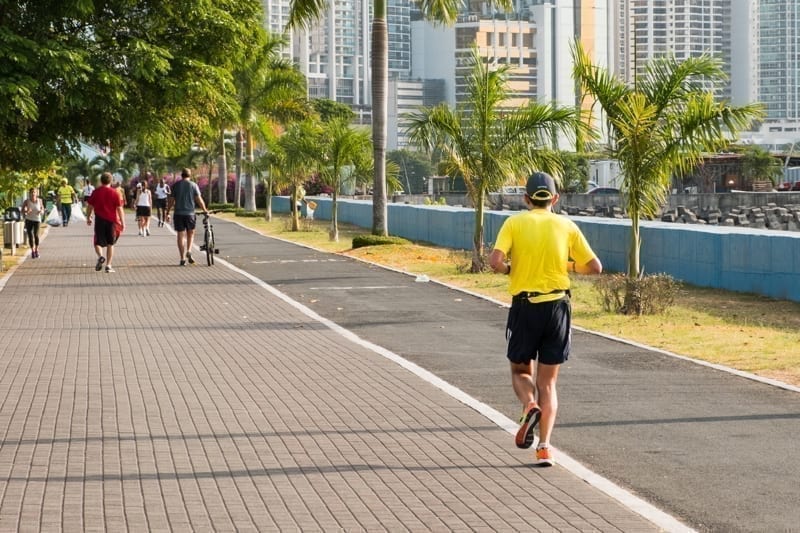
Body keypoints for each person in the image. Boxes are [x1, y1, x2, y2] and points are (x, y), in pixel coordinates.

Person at [489, 171, 602, 467]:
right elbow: (595, 267)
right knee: (548, 383)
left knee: (519, 371)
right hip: (558, 307)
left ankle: (529, 406)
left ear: (526, 199)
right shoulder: (566, 225)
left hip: (525, 306)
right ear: (555, 198)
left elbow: (495, 261)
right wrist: (567, 265)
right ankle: (545, 448)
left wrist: (509, 270)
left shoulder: (514, 222)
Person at [166, 168, 208, 266]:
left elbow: (171, 201)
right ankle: (189, 250)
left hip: (178, 214)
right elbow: (199, 199)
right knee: (191, 233)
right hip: (190, 214)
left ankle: (182, 258)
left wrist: (167, 212)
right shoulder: (193, 185)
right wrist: (205, 210)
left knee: (180, 235)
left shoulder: (176, 185)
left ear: (182, 175)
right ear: (190, 175)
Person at [85, 172, 126, 273]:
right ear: (111, 181)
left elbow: (89, 206)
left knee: (97, 242)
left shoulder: (96, 192)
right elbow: (120, 209)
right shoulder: (115, 192)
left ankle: (100, 256)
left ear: (101, 180)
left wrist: (89, 217)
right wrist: (123, 222)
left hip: (99, 220)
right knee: (110, 243)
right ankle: (108, 265)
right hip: (112, 221)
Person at [20, 188, 44, 258]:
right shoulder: (26, 201)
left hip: (37, 220)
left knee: (36, 235)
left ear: (36, 193)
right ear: (29, 193)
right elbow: (22, 210)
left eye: (34, 192)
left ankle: (36, 249)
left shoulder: (40, 200)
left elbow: (42, 209)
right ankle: (32, 251)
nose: (33, 194)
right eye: (31, 192)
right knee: (30, 235)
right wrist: (26, 211)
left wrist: (41, 211)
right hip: (29, 220)